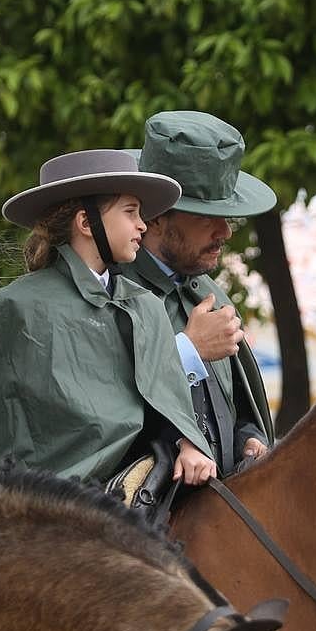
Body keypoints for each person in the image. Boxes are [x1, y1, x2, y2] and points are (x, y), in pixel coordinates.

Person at [0, 149, 218, 486]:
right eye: (130, 212)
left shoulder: (145, 306)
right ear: (86, 223)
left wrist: (187, 443)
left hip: (137, 485)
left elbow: (162, 398)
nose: (142, 225)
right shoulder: (17, 306)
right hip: (40, 502)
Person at [122, 111, 277, 477]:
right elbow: (103, 412)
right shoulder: (110, 292)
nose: (225, 232)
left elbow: (233, 407)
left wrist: (248, 439)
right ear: (156, 217)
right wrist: (189, 350)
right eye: (206, 217)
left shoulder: (209, 295)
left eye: (227, 216)